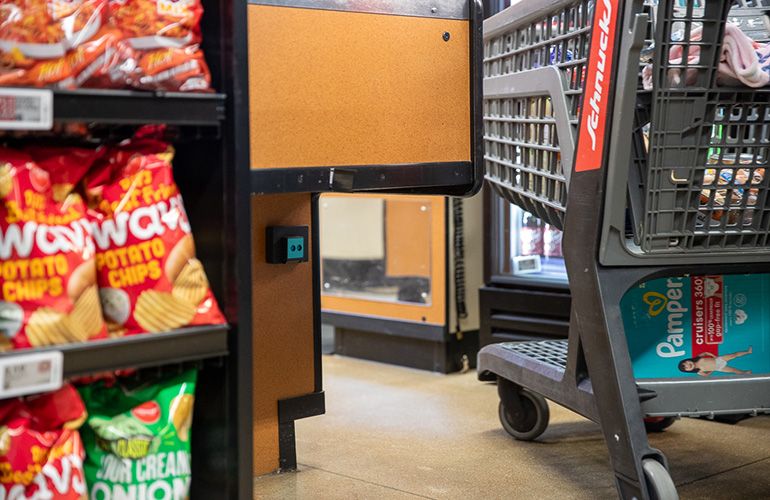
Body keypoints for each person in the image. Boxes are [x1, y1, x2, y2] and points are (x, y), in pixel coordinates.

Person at [678, 346, 753, 376]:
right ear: (688, 371)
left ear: (687, 360)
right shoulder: (699, 372)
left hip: (718, 360)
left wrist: (714, 356)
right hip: (718, 368)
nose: (688, 365)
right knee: (733, 370)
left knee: (734, 354)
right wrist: (712, 370)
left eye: (686, 363)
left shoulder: (698, 358)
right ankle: (745, 372)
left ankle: (748, 352)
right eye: (686, 367)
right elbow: (707, 375)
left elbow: (705, 353)